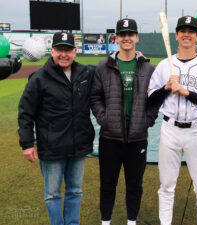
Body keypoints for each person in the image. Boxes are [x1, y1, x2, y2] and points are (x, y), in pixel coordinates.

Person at [148, 16, 197, 225]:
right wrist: (166, 88)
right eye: (183, 30)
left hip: (196, 132)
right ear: (176, 35)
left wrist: (186, 92)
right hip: (169, 130)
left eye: (191, 31)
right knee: (166, 185)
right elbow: (151, 101)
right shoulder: (163, 66)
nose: (186, 34)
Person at [18, 32, 95, 225]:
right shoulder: (39, 77)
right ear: (52, 51)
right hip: (52, 147)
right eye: (59, 49)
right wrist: (27, 144)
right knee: (52, 194)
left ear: (75, 52)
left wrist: (138, 57)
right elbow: (26, 112)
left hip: (78, 145)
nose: (63, 54)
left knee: (75, 191)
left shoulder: (86, 73)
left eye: (67, 50)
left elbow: (110, 68)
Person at [90, 18, 158, 225]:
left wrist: (147, 120)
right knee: (107, 184)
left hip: (138, 138)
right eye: (123, 35)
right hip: (110, 138)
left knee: (134, 185)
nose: (127, 38)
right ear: (116, 38)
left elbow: (155, 101)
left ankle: (131, 221)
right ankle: (105, 222)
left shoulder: (148, 68)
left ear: (136, 37)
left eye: (131, 34)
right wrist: (104, 118)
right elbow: (95, 97)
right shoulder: (104, 66)